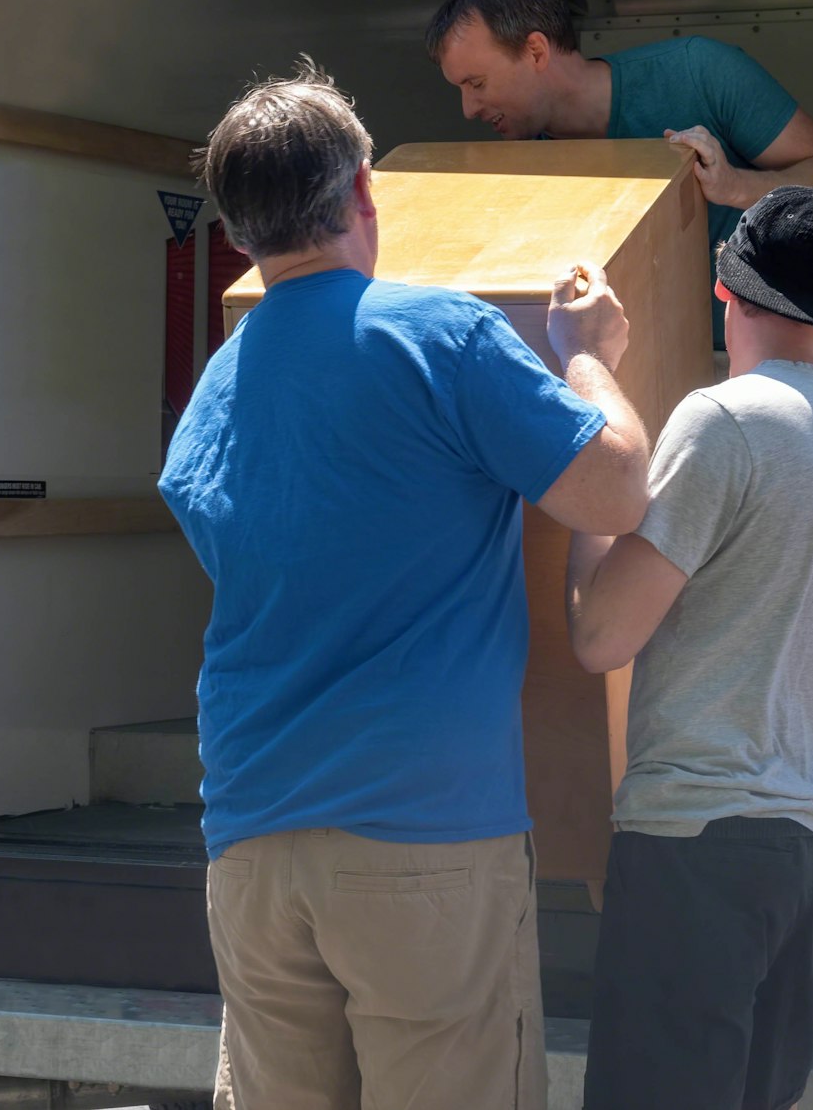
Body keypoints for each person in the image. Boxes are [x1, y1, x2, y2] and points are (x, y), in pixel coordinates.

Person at [158, 63, 652, 1110]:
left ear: (241, 234)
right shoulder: (441, 336)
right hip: (422, 835)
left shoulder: (219, 384)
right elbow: (612, 491)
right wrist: (589, 356)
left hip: (251, 842)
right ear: (361, 194)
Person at [562, 186, 813, 1110]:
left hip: (703, 848)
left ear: (726, 284)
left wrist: (595, 464)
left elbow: (601, 634)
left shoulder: (727, 421)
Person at [425, 0, 813, 404]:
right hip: (653, 373)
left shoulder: (697, 71)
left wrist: (735, 185)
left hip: (800, 354)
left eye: (476, 83)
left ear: (537, 51)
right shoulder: (516, 163)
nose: (468, 109)